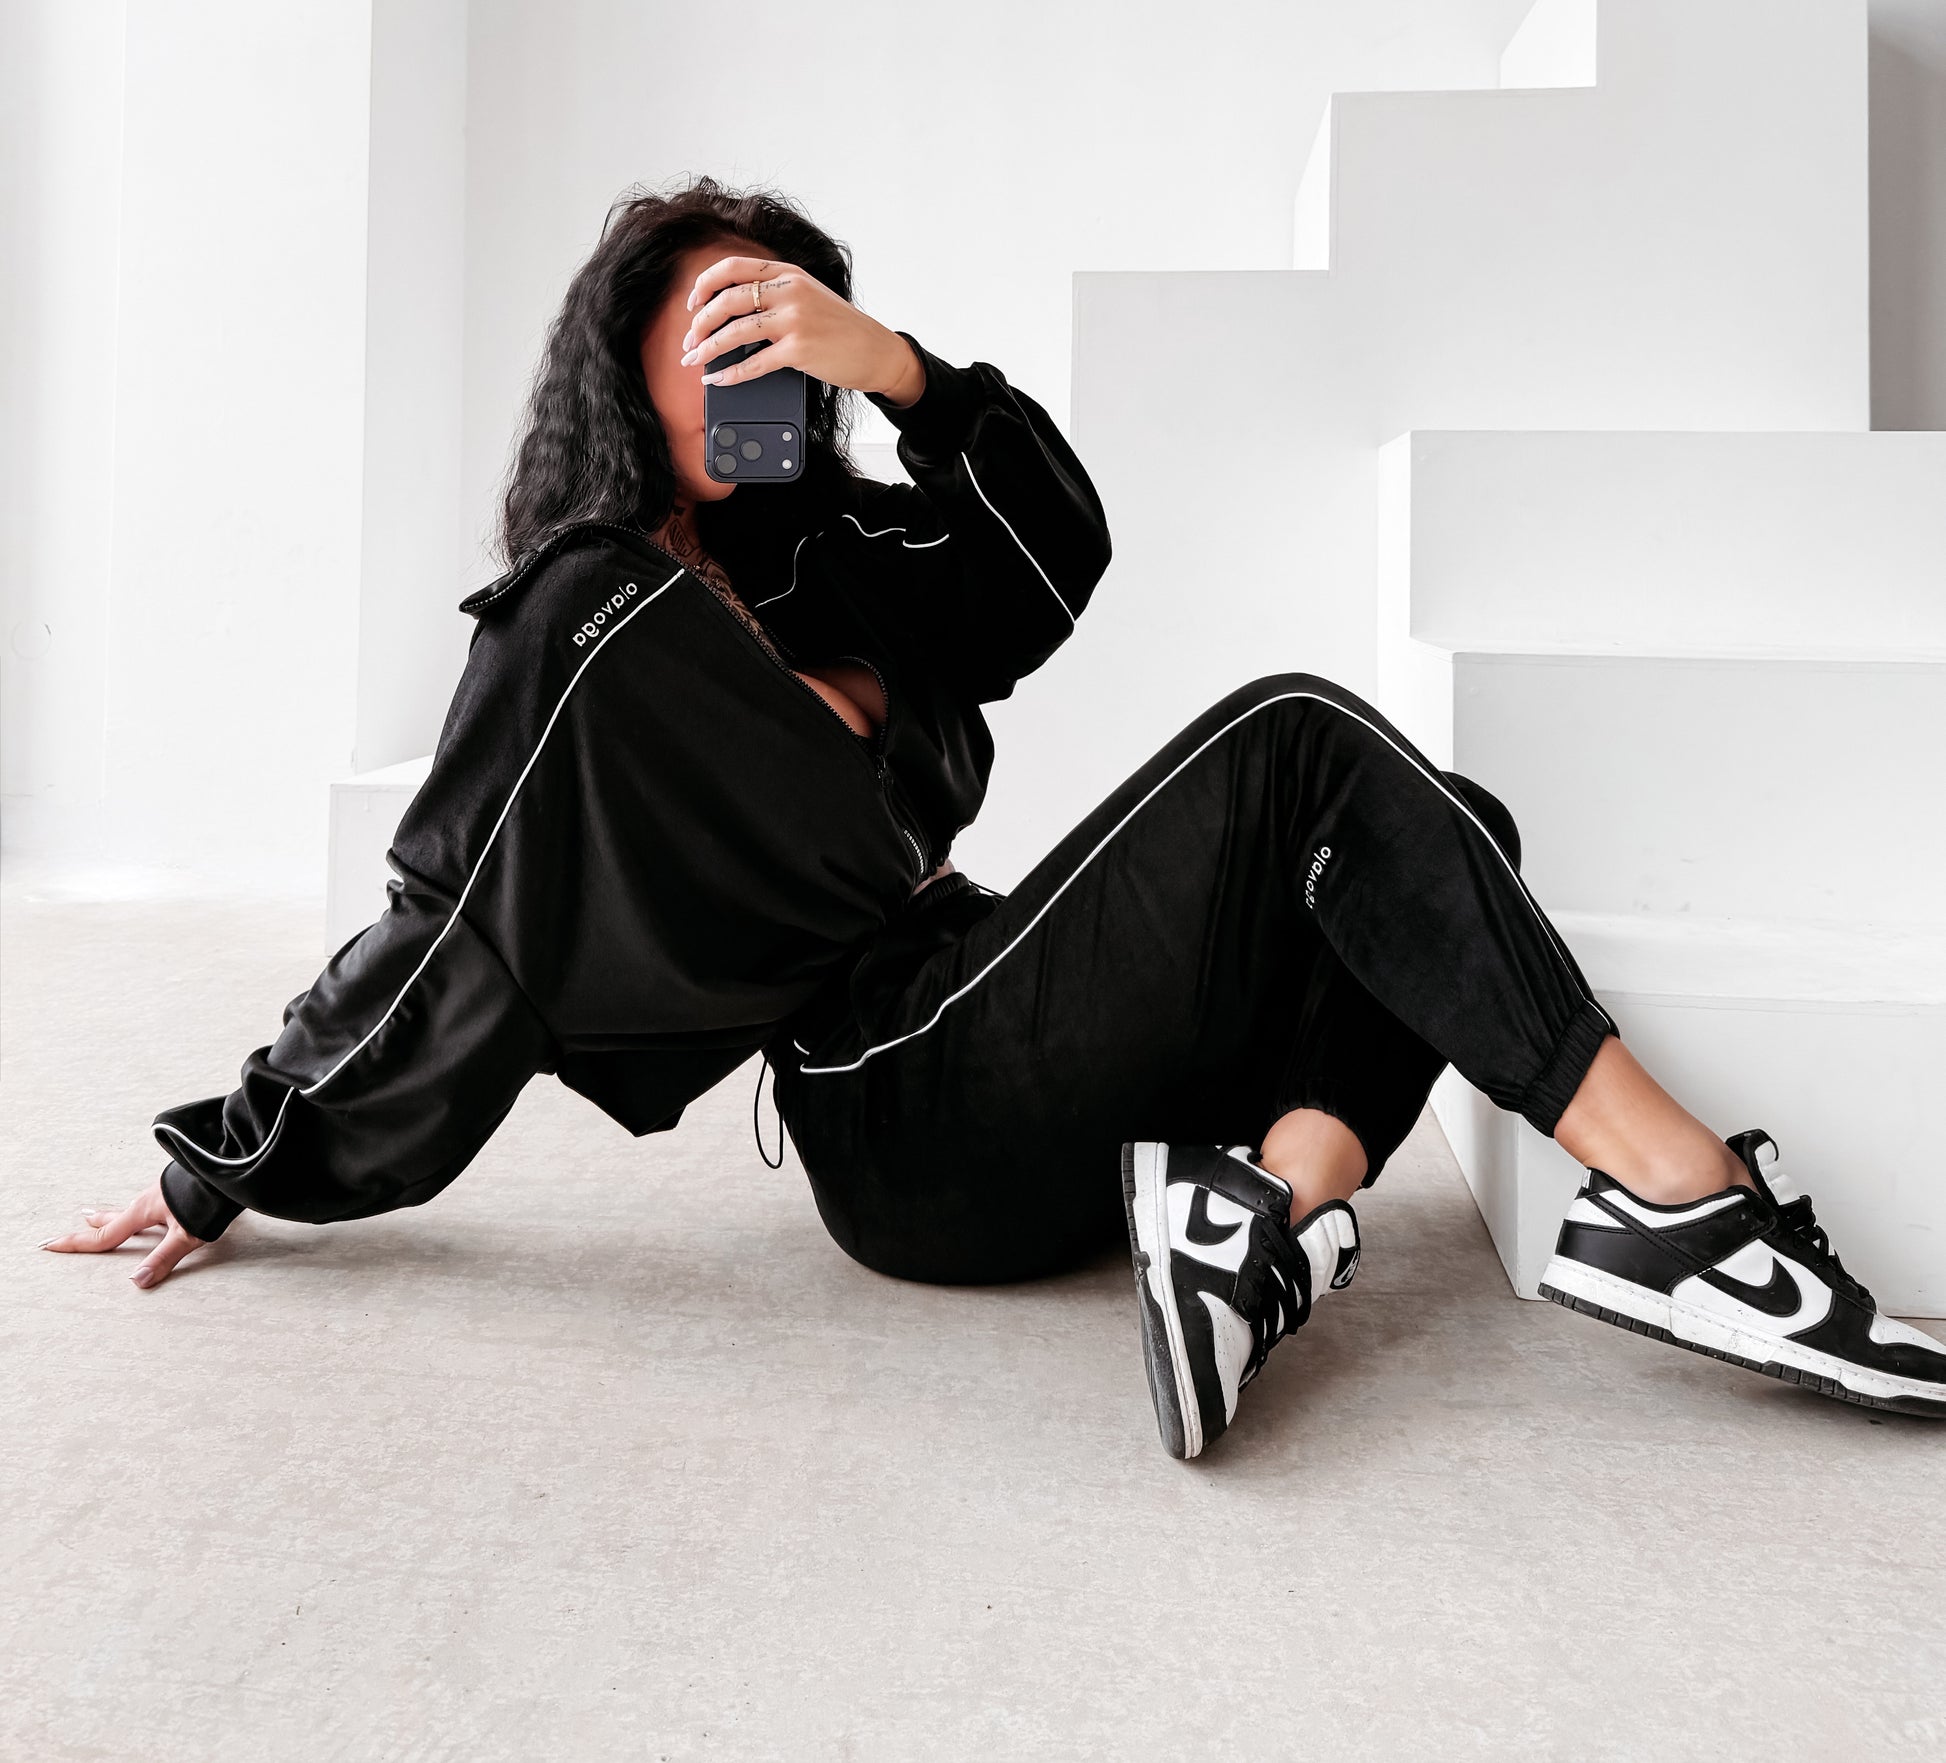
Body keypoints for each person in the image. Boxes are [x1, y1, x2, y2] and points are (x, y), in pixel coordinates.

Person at [45, 180, 1946, 1454]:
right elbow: (452, 909)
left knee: (1451, 818)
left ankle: (1259, 1219)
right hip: (901, 1103)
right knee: (1298, 735)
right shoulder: (587, 611)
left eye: (780, 320)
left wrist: (893, 370)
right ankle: (1682, 1209)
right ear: (621, 355)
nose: (749, 349)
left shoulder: (844, 564)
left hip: (996, 1015)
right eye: (713, 320)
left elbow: (1055, 556)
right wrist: (232, 1160)